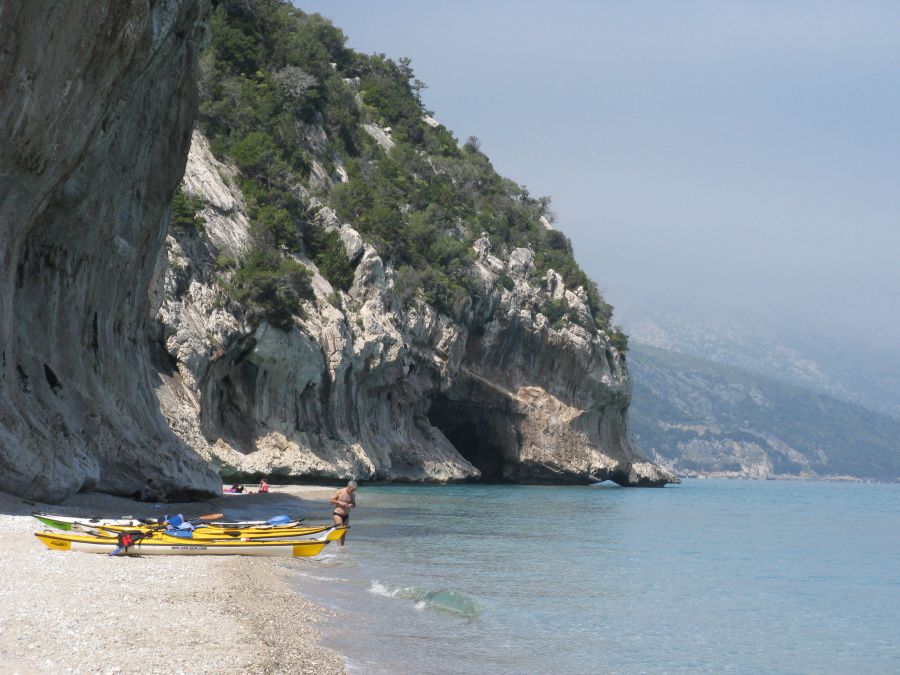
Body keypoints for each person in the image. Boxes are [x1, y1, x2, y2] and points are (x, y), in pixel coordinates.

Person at [329, 480, 357, 546]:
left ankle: (342, 547)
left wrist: (351, 505)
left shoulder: (353, 494)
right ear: (348, 487)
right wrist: (340, 502)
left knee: (344, 532)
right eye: (352, 490)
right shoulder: (340, 492)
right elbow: (330, 500)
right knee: (339, 531)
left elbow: (354, 504)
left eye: (354, 490)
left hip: (346, 515)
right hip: (338, 514)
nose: (353, 491)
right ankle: (338, 547)